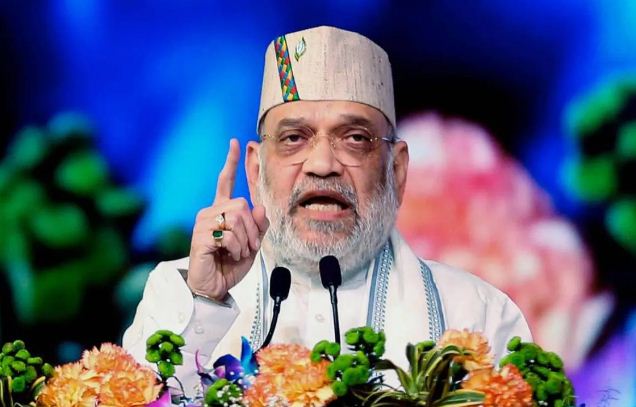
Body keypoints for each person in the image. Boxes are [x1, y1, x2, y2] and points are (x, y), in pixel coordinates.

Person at [123, 25, 532, 395]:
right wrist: (207, 302)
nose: (322, 164)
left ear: (397, 170)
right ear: (256, 170)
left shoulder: (478, 314)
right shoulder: (177, 294)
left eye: (355, 138)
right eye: (294, 138)